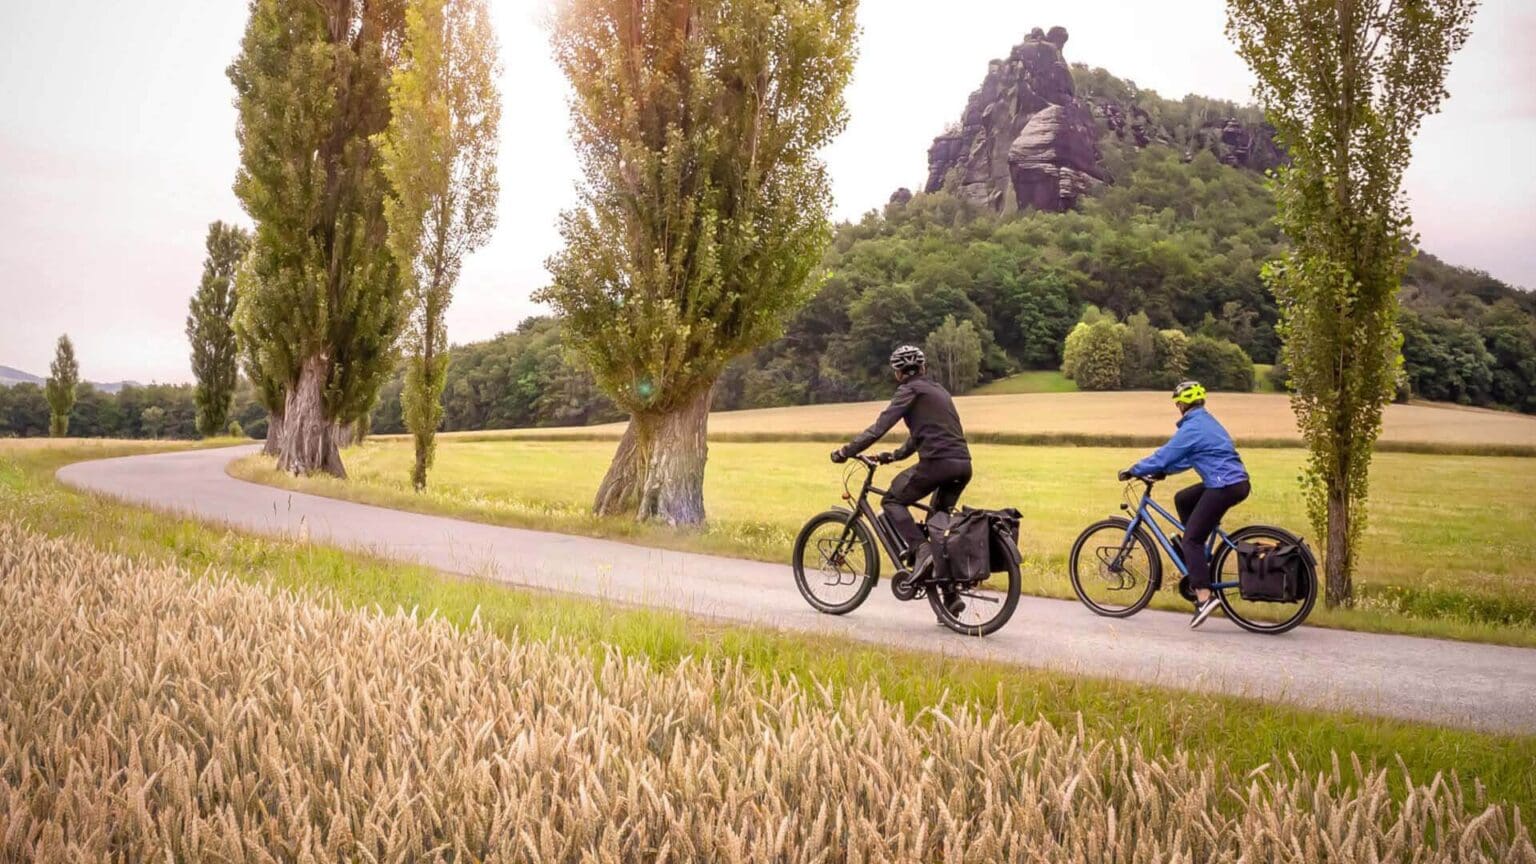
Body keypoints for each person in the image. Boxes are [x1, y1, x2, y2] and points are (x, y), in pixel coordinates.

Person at [831, 345, 972, 580]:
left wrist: (846, 451)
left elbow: (879, 428)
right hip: (963, 465)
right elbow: (921, 436)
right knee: (937, 527)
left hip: (937, 464)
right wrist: (893, 456)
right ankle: (949, 596)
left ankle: (920, 550)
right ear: (923, 367)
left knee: (892, 500)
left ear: (897, 373)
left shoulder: (909, 391)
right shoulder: (938, 391)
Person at [1120, 380, 1251, 629]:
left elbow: (1166, 454)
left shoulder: (1192, 428)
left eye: (1177, 403)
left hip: (1223, 485)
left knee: (1190, 538)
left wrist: (1134, 469)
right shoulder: (1206, 422)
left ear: (1181, 404)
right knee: (1183, 499)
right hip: (1232, 482)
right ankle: (1201, 559)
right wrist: (1164, 472)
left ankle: (1204, 596)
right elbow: (1186, 458)